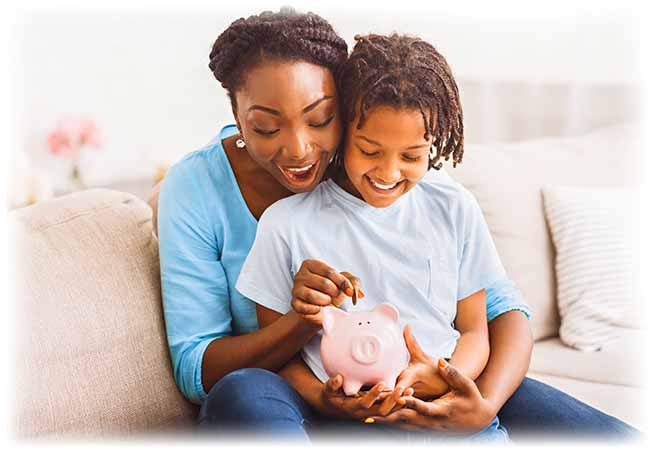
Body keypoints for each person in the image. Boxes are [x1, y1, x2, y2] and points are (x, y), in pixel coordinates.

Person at [155, 7, 637, 441]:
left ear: (346, 107)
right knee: (245, 392)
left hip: (429, 377)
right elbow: (196, 364)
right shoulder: (207, 193)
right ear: (236, 115)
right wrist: (304, 331)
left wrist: (478, 398)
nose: (299, 149)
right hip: (296, 392)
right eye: (265, 127)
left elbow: (494, 309)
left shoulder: (419, 189)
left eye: (321, 118)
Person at [235, 32, 512, 443]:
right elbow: (279, 356)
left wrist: (444, 376)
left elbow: (474, 332)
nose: (387, 173)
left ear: (433, 147)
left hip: (444, 417)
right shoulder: (286, 224)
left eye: (412, 156)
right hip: (345, 423)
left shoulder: (453, 205)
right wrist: (325, 400)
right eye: (369, 150)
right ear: (344, 130)